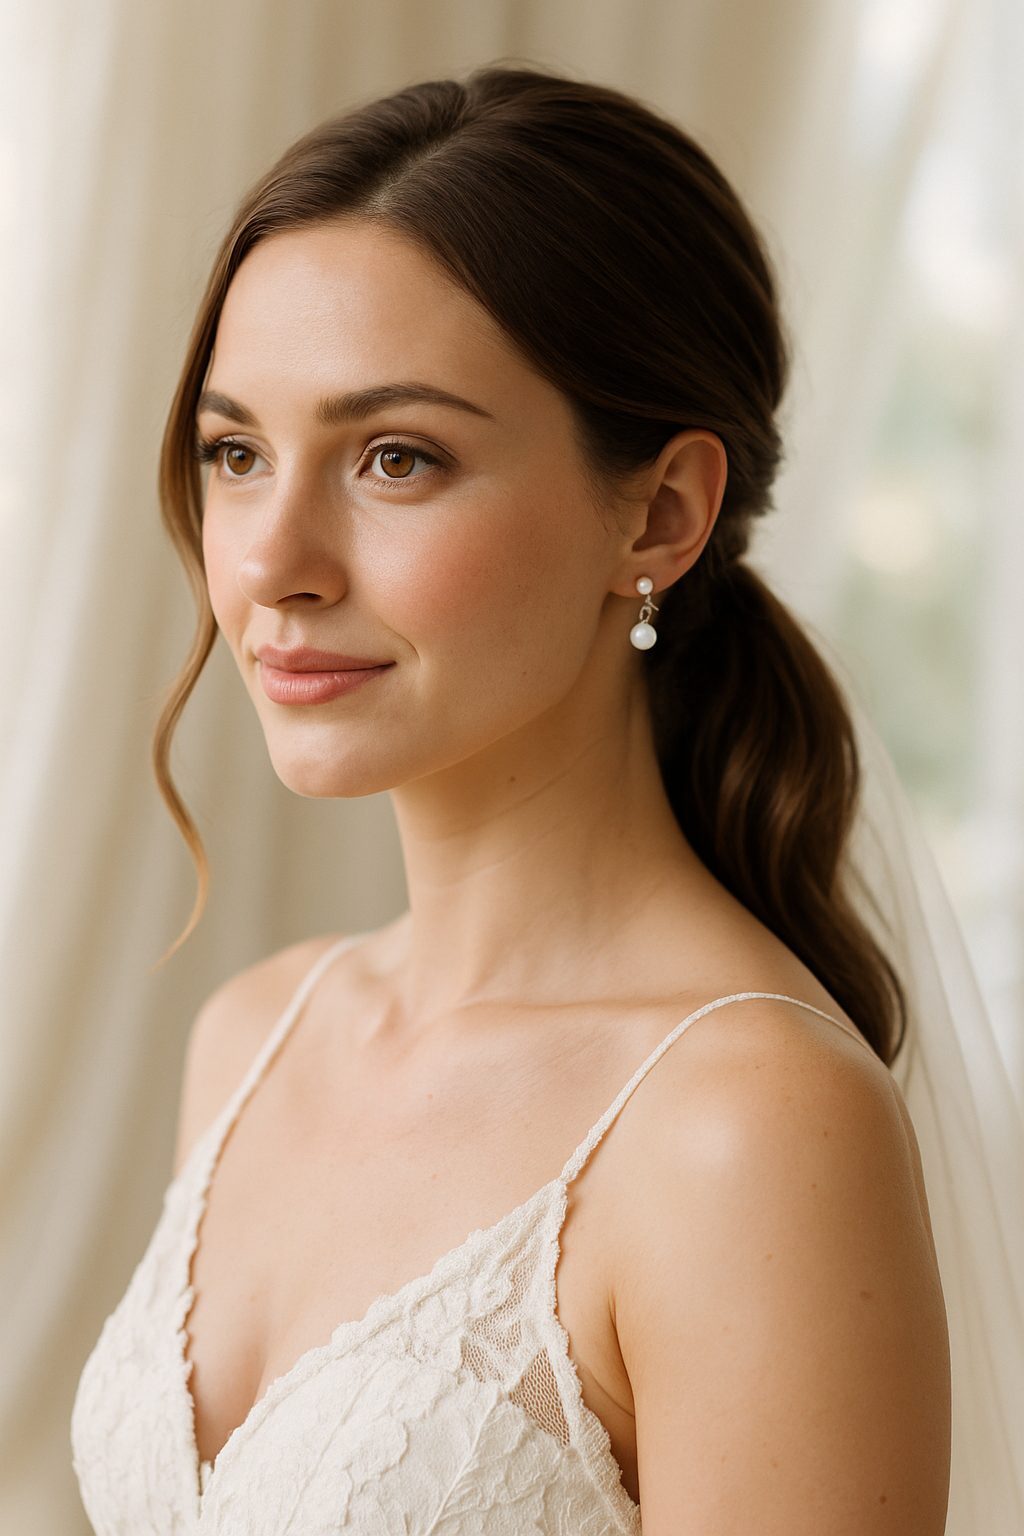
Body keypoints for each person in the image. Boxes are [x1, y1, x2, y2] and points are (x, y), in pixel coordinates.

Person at [71, 69, 956, 1533]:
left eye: (394, 457)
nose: (272, 560)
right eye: (236, 453)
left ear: (658, 513)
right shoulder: (255, 1036)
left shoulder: (748, 1126)